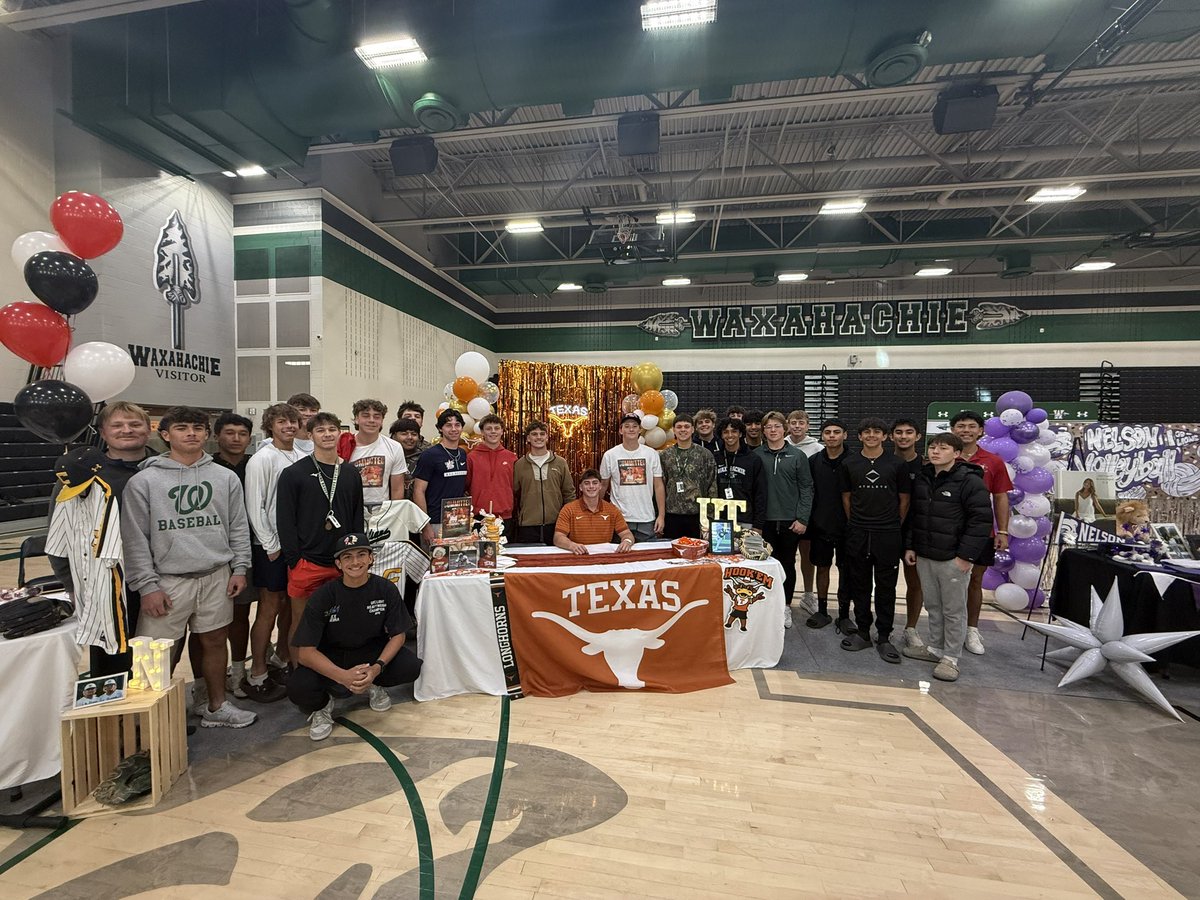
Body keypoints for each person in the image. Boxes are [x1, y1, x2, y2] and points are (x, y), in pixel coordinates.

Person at [121, 406, 256, 728]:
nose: (191, 433)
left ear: (207, 435)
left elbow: (238, 526)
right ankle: (148, 721)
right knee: (155, 654)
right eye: (182, 428)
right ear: (165, 435)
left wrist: (240, 568)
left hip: (215, 575)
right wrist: (147, 586)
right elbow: (134, 538)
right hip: (167, 580)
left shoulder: (224, 478)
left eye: (197, 428)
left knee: (214, 641)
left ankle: (215, 705)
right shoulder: (144, 481)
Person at [48, 401, 154, 676]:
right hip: (107, 580)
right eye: (117, 425)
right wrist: (71, 583)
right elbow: (60, 534)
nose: (127, 430)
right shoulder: (81, 474)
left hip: (160, 576)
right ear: (103, 432)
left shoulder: (166, 467)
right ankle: (114, 702)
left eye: (135, 424)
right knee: (112, 658)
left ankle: (156, 704)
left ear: (148, 430)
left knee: (157, 653)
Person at [288, 533, 422, 741]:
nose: (355, 562)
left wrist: (376, 668)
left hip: (371, 653)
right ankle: (322, 706)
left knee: (411, 666)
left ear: (371, 558)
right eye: (347, 557)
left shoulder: (385, 588)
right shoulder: (323, 596)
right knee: (298, 687)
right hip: (332, 656)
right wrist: (342, 676)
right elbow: (305, 653)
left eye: (361, 555)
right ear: (338, 564)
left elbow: (398, 635)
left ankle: (373, 684)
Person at [902, 432, 993, 682]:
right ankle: (935, 648)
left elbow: (980, 521)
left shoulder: (970, 481)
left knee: (953, 609)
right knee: (933, 605)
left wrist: (966, 556)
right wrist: (911, 546)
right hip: (925, 554)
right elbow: (915, 516)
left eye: (942, 448)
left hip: (953, 558)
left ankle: (951, 657)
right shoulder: (923, 478)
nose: (935, 452)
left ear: (957, 453)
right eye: (933, 447)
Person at [277, 412, 365, 659]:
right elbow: (285, 521)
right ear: (310, 435)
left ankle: (334, 671)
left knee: (341, 621)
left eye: (332, 429)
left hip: (343, 562)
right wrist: (295, 560)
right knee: (302, 623)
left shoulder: (350, 473)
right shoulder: (293, 473)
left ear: (340, 433)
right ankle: (299, 674)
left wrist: (356, 556)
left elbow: (357, 517)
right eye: (320, 430)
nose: (327, 434)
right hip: (307, 562)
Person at [242, 403, 306, 702]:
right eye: (282, 421)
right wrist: (269, 544)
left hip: (297, 544)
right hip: (271, 546)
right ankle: (257, 672)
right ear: (270, 425)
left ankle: (281, 659)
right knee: (269, 608)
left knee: (290, 607)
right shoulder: (262, 459)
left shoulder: (300, 456)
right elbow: (255, 505)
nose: (289, 426)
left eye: (293, 421)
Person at [838, 417, 911, 664]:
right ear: (859, 436)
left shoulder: (897, 464)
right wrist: (857, 522)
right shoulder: (849, 463)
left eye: (877, 431)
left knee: (886, 587)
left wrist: (891, 524)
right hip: (858, 532)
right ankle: (862, 631)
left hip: (888, 534)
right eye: (866, 432)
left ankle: (884, 636)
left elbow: (904, 500)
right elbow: (847, 497)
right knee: (859, 584)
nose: (871, 435)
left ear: (885, 436)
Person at [207, 412, 259, 707]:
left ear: (250, 438)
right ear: (217, 436)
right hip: (215, 551)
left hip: (252, 547)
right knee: (211, 626)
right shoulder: (207, 466)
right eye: (230, 432)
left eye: (242, 433)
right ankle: (206, 685)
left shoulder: (256, 464)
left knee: (242, 612)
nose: (236, 438)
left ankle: (239, 671)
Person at [951, 411, 1013, 656]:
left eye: (971, 426)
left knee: (975, 581)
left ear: (981, 431)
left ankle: (971, 629)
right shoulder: (943, 456)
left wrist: (1003, 530)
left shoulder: (993, 461)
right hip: (948, 531)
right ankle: (949, 629)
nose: (965, 430)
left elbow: (1000, 497)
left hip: (981, 532)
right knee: (948, 582)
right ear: (953, 430)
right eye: (960, 426)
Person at [755, 412, 813, 628]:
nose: (773, 430)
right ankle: (766, 607)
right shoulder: (756, 455)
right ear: (763, 430)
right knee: (764, 566)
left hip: (790, 521)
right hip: (764, 522)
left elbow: (807, 488)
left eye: (777, 426)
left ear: (784, 429)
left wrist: (802, 518)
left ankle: (786, 606)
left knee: (787, 564)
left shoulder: (797, 456)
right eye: (768, 426)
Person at [805, 419, 849, 630]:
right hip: (820, 525)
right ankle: (822, 611)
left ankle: (844, 614)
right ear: (822, 436)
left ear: (844, 435)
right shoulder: (813, 461)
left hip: (847, 527)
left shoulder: (854, 460)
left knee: (846, 570)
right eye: (828, 432)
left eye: (836, 432)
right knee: (822, 568)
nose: (832, 436)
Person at [890, 418, 927, 654]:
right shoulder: (884, 463)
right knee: (885, 582)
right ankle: (883, 624)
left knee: (915, 582)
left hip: (917, 533)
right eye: (899, 432)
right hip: (886, 529)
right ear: (891, 436)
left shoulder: (927, 466)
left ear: (918, 436)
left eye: (909, 432)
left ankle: (911, 628)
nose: (904, 436)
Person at [599, 414, 665, 542]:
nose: (631, 429)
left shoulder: (651, 454)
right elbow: (603, 486)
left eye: (635, 426)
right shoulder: (610, 455)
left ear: (640, 430)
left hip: (646, 519)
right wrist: (597, 513)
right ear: (620, 430)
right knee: (620, 553)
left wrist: (661, 516)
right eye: (627, 426)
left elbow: (658, 486)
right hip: (619, 519)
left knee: (647, 554)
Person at [513, 420, 575, 544]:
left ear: (547, 437)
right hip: (528, 526)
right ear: (528, 438)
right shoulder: (519, 464)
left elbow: (569, 493)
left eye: (542, 434)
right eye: (534, 434)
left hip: (556, 525)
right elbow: (514, 494)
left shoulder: (560, 462)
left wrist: (568, 519)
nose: (539, 437)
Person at [658, 414, 717, 539]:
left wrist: (709, 517)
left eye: (686, 426)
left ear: (693, 429)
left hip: (697, 515)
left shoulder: (705, 454)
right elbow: (660, 486)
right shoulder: (665, 455)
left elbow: (712, 486)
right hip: (672, 515)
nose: (683, 430)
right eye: (679, 427)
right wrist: (660, 515)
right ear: (674, 430)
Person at [411, 409, 469, 537]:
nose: (453, 429)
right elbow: (418, 491)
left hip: (459, 520)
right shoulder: (429, 455)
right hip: (435, 522)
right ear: (440, 428)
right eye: (448, 425)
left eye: (457, 425)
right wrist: (425, 525)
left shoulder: (463, 454)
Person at [786, 409, 822, 612]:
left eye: (801, 423)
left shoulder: (817, 448)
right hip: (785, 510)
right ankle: (783, 598)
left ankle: (808, 594)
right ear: (788, 425)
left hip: (808, 511)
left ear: (808, 425)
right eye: (793, 422)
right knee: (786, 557)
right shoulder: (780, 444)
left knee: (807, 555)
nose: (797, 426)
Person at [346, 399, 407, 512]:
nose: (371, 420)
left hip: (382, 513)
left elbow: (397, 489)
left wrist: (393, 514)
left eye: (377, 416)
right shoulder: (344, 445)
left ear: (382, 420)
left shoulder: (394, 447)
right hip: (350, 511)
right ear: (356, 419)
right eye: (366, 416)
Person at [554, 469, 636, 553]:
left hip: (604, 555)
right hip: (579, 554)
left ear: (600, 486)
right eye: (587, 483)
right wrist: (571, 545)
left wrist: (627, 541)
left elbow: (627, 533)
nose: (591, 486)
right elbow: (558, 537)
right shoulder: (568, 509)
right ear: (580, 487)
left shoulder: (612, 510)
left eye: (595, 483)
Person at [713, 418, 767, 533]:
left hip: (745, 519)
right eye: (726, 432)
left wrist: (758, 524)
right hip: (720, 519)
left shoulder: (753, 459)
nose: (730, 435)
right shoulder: (715, 458)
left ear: (741, 434)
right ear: (721, 435)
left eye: (734, 431)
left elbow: (760, 493)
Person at [466, 413, 517, 523]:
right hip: (479, 516)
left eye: (497, 428)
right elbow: (465, 486)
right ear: (482, 432)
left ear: (502, 431)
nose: (493, 431)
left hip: (505, 516)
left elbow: (516, 487)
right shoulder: (471, 457)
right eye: (488, 428)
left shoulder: (511, 457)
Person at [389, 418, 428, 499]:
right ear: (394, 436)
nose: (410, 437)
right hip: (391, 503)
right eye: (404, 434)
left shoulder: (426, 455)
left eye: (414, 434)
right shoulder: (387, 454)